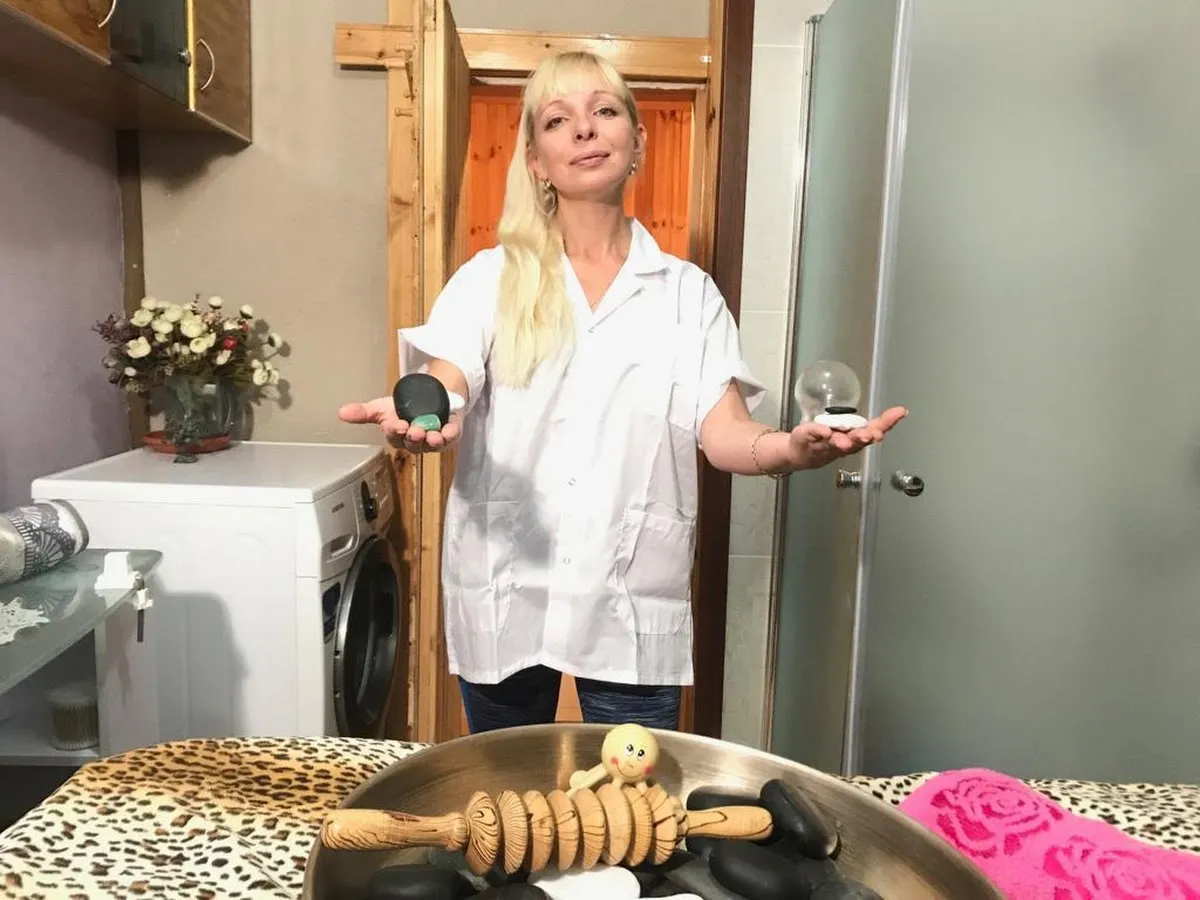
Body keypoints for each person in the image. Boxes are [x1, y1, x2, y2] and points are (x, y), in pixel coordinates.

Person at [339, 50, 906, 734]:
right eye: (558, 120)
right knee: (509, 786)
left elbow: (726, 434)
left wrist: (791, 448)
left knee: (634, 790)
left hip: (632, 590)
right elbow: (446, 377)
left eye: (604, 111)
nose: (584, 129)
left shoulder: (687, 295)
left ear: (637, 142)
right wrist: (423, 412)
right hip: (508, 578)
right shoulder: (489, 279)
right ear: (536, 161)